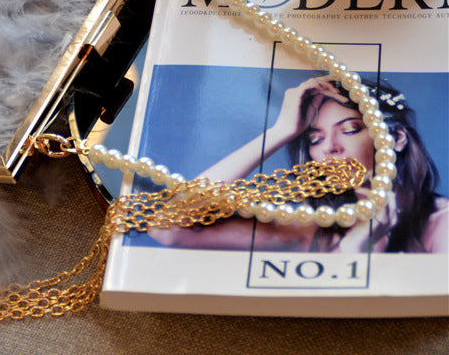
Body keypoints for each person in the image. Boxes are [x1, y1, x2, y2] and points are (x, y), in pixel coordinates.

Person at [149, 77, 448, 253]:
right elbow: (168, 228)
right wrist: (279, 132)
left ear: (396, 138)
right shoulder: (311, 226)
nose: (330, 148)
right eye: (315, 139)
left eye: (350, 129)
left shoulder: (440, 223)